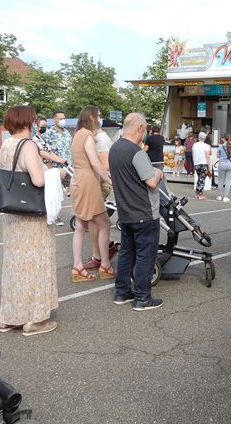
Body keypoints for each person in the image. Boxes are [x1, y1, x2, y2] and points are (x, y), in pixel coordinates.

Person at [0, 106, 59, 335]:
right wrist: (57, 174)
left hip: (12, 216)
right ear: (28, 122)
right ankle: (35, 319)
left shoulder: (6, 145)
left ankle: (10, 316)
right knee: (36, 264)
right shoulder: (28, 145)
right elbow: (38, 180)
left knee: (15, 265)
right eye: (34, 120)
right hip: (31, 217)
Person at [109, 113, 164, 311]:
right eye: (145, 128)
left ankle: (122, 292)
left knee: (126, 253)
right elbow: (150, 181)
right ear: (140, 128)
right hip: (143, 211)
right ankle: (142, 297)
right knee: (145, 256)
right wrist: (157, 173)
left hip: (125, 211)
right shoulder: (136, 152)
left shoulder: (114, 149)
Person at [69, 106, 114, 281]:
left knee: (81, 225)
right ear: (91, 117)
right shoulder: (87, 135)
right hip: (88, 182)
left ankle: (78, 267)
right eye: (98, 116)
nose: (99, 119)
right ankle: (105, 265)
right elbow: (95, 163)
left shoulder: (76, 134)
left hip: (79, 180)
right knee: (104, 223)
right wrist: (112, 181)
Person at [83, 109, 118, 273]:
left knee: (95, 220)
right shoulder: (95, 137)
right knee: (96, 220)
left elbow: (104, 164)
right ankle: (106, 249)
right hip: (96, 181)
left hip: (100, 182)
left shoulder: (101, 139)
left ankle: (100, 256)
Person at [44, 110, 72, 226]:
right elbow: (45, 151)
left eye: (63, 118)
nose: (62, 120)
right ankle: (56, 215)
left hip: (67, 167)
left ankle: (79, 215)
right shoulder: (49, 134)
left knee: (72, 190)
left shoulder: (67, 133)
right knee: (54, 193)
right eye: (60, 118)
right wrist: (49, 167)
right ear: (54, 120)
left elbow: (70, 149)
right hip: (54, 168)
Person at [192, 131, 212, 200]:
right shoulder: (206, 146)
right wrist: (209, 167)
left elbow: (193, 154)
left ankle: (197, 194)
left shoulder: (194, 145)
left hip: (196, 164)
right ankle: (200, 195)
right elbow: (208, 157)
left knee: (199, 178)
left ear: (198, 138)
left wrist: (194, 163)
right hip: (203, 164)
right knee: (202, 179)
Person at [215, 134, 231, 202]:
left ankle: (219, 196)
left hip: (222, 164)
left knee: (221, 181)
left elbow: (217, 156)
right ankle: (225, 197)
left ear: (224, 139)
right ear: (229, 138)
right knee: (228, 181)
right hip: (230, 165)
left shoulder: (220, 146)